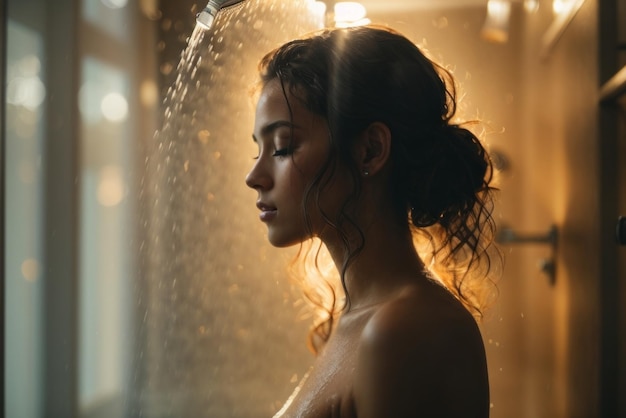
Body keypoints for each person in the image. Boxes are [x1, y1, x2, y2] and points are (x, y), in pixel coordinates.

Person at [245, 25, 501, 418]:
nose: (254, 177)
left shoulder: (402, 330)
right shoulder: (360, 319)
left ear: (370, 150)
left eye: (282, 147)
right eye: (258, 150)